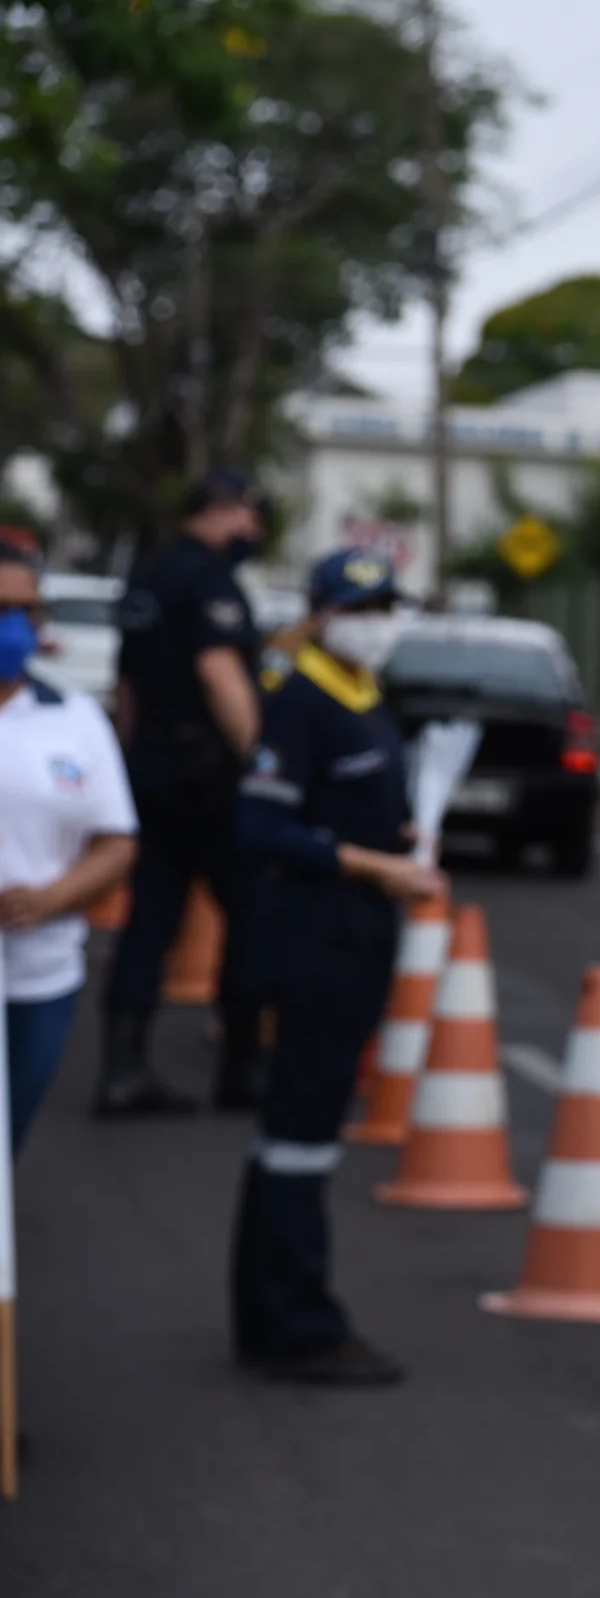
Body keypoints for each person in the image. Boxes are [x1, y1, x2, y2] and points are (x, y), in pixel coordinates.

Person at [230, 550, 444, 1387]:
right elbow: (263, 826)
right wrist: (368, 864)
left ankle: (272, 1309)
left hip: (359, 933)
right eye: (363, 605)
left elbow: (367, 811)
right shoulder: (301, 704)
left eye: (389, 603)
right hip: (315, 936)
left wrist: (405, 854)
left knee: (307, 1130)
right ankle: (295, 1318)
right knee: (299, 1135)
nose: (379, 619)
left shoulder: (367, 699)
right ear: (320, 613)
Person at [95, 469, 271, 1116]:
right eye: (249, 517)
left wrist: (125, 762)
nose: (253, 531)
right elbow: (220, 671)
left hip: (150, 769)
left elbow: (129, 689)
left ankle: (123, 1069)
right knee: (251, 910)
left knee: (150, 919)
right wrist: (264, 762)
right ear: (224, 511)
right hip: (210, 778)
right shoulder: (209, 579)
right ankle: (243, 1068)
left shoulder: (148, 576)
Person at [0, 544, 138, 1157]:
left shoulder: (76, 719)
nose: (12, 626)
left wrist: (52, 899)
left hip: (39, 975)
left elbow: (115, 841)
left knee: (10, 1143)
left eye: (24, 610)